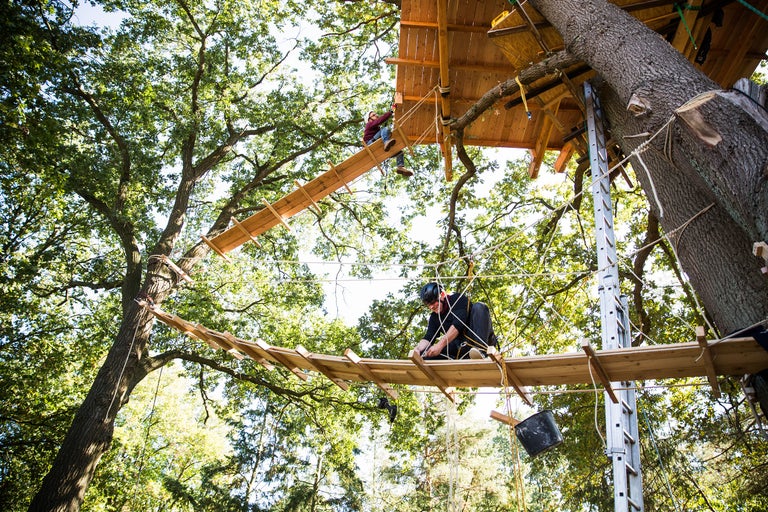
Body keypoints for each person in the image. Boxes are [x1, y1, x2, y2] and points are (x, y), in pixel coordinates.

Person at [413, 282, 497, 360]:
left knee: (479, 306)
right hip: (460, 348)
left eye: (433, 302)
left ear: (442, 295)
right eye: (428, 305)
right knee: (426, 355)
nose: (431, 307)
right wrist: (418, 349)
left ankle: (481, 351)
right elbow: (429, 337)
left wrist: (439, 345)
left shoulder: (457, 299)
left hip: (476, 337)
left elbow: (458, 325)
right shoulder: (434, 317)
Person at [363, 108, 413, 177]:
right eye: (374, 115)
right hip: (370, 143)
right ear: (369, 119)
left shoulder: (376, 128)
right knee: (385, 129)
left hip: (378, 147)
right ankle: (386, 142)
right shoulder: (369, 124)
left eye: (376, 114)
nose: (376, 115)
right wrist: (390, 112)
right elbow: (380, 121)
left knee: (399, 152)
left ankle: (400, 167)